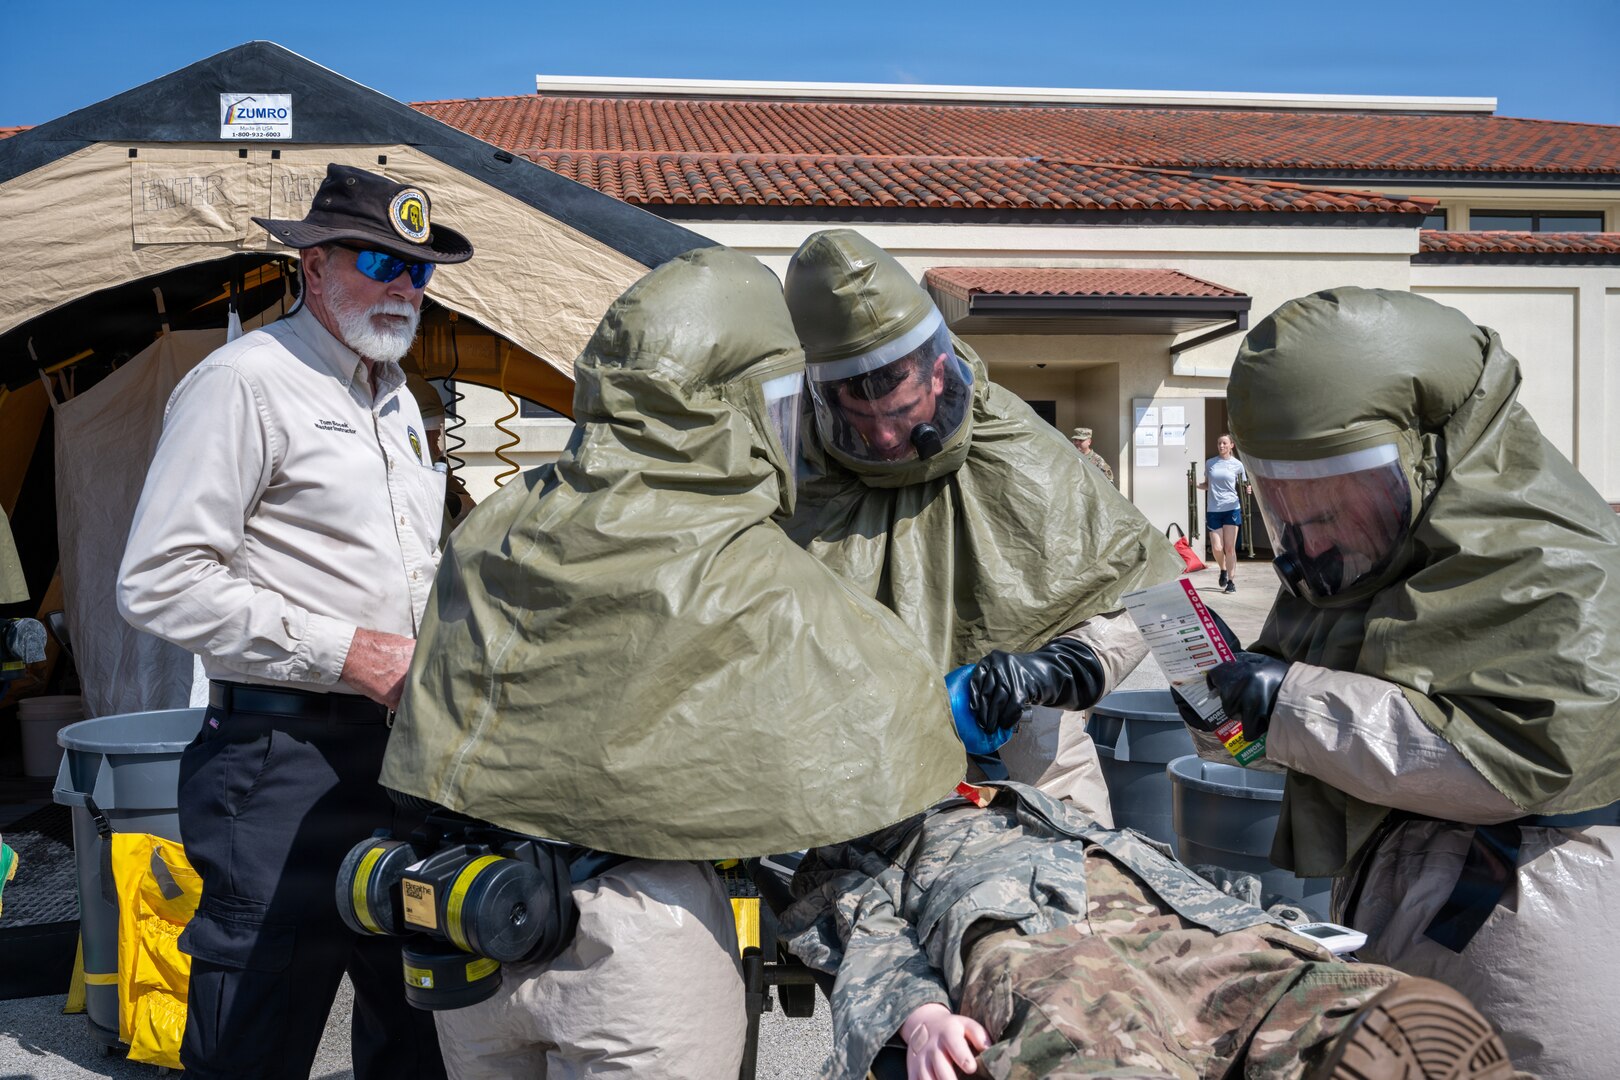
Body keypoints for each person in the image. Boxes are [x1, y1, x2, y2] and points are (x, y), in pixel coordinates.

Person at [379, 245, 965, 1078]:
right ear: (751, 399)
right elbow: (899, 742)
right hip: (641, 939)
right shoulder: (752, 571)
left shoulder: (494, 524)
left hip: (472, 922)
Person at [1205, 287, 1620, 1080]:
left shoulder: (1561, 565)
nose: (1307, 524)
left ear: (1431, 450)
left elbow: (1515, 759)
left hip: (1529, 920)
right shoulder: (1374, 557)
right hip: (1399, 900)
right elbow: (1288, 734)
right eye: (1282, 495)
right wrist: (1226, 700)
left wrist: (1284, 702)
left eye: (1332, 488)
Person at [117, 163, 467, 1080]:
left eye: (418, 271)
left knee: (415, 1023)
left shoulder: (396, 398)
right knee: (256, 1033)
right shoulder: (245, 383)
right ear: (313, 266)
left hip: (400, 760)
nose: (403, 287)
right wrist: (348, 650)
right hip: (276, 765)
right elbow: (158, 581)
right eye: (378, 261)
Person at [781, 230, 1182, 814]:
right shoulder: (800, 469)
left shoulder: (1018, 448)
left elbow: (1150, 602)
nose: (887, 439)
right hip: (869, 772)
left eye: (900, 413)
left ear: (938, 373)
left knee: (1073, 881)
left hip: (1036, 759)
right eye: (861, 421)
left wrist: (1055, 668)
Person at [782, 779, 1515, 1080]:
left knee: (1277, 980)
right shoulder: (855, 847)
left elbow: (1156, 860)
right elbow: (872, 937)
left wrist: (1267, 915)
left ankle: (1357, 1022)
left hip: (1163, 912)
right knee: (1088, 1030)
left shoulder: (1013, 791)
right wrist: (921, 1018)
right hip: (1022, 936)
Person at [1198, 432, 1249, 592]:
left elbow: (1244, 484)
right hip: (1213, 510)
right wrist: (1196, 485)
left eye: (1224, 443)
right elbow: (1208, 484)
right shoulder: (1210, 463)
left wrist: (1248, 488)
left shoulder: (1237, 465)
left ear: (1231, 445)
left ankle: (1231, 582)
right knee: (1217, 548)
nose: (1221, 446)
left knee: (1229, 548)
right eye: (1219, 443)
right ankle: (1223, 569)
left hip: (1232, 508)